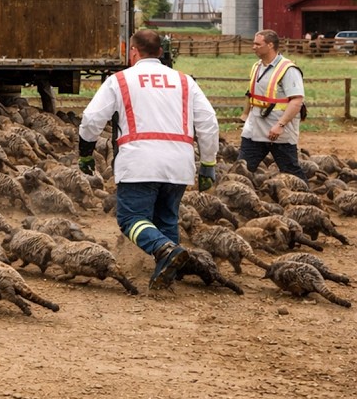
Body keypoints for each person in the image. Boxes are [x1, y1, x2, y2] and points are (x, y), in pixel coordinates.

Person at [77, 29, 220, 290]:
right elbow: (208, 122)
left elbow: (91, 119)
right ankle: (166, 272)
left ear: (133, 52)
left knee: (130, 219)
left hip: (139, 161)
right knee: (166, 218)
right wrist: (208, 164)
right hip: (179, 161)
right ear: (161, 53)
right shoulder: (185, 81)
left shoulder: (120, 80)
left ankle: (163, 250)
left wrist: (85, 152)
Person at [239, 29, 307, 181]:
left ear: (270, 45)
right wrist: (245, 114)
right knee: (242, 168)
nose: (253, 47)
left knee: (290, 171)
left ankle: (307, 198)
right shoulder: (257, 66)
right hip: (255, 126)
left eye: (257, 44)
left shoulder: (288, 69)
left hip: (277, 130)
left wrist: (280, 125)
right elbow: (251, 93)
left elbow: (296, 100)